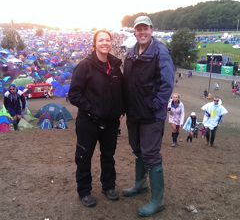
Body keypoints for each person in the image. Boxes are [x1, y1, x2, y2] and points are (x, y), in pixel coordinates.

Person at [123, 15, 174, 217]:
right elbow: (127, 81)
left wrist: (155, 106)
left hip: (152, 114)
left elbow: (167, 84)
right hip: (134, 112)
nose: (142, 32)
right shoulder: (131, 52)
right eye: (138, 29)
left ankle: (157, 200)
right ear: (134, 31)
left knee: (151, 154)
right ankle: (140, 184)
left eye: (145, 29)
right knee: (137, 149)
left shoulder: (160, 52)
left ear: (151, 30)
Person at [68, 30, 124, 208]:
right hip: (89, 121)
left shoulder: (115, 66)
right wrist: (92, 109)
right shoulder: (84, 66)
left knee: (108, 156)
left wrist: (120, 109)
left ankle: (109, 186)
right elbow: (74, 94)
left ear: (111, 43)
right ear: (95, 44)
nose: (105, 43)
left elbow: (121, 91)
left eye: (107, 40)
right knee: (84, 156)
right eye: (101, 40)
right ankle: (84, 191)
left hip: (111, 122)